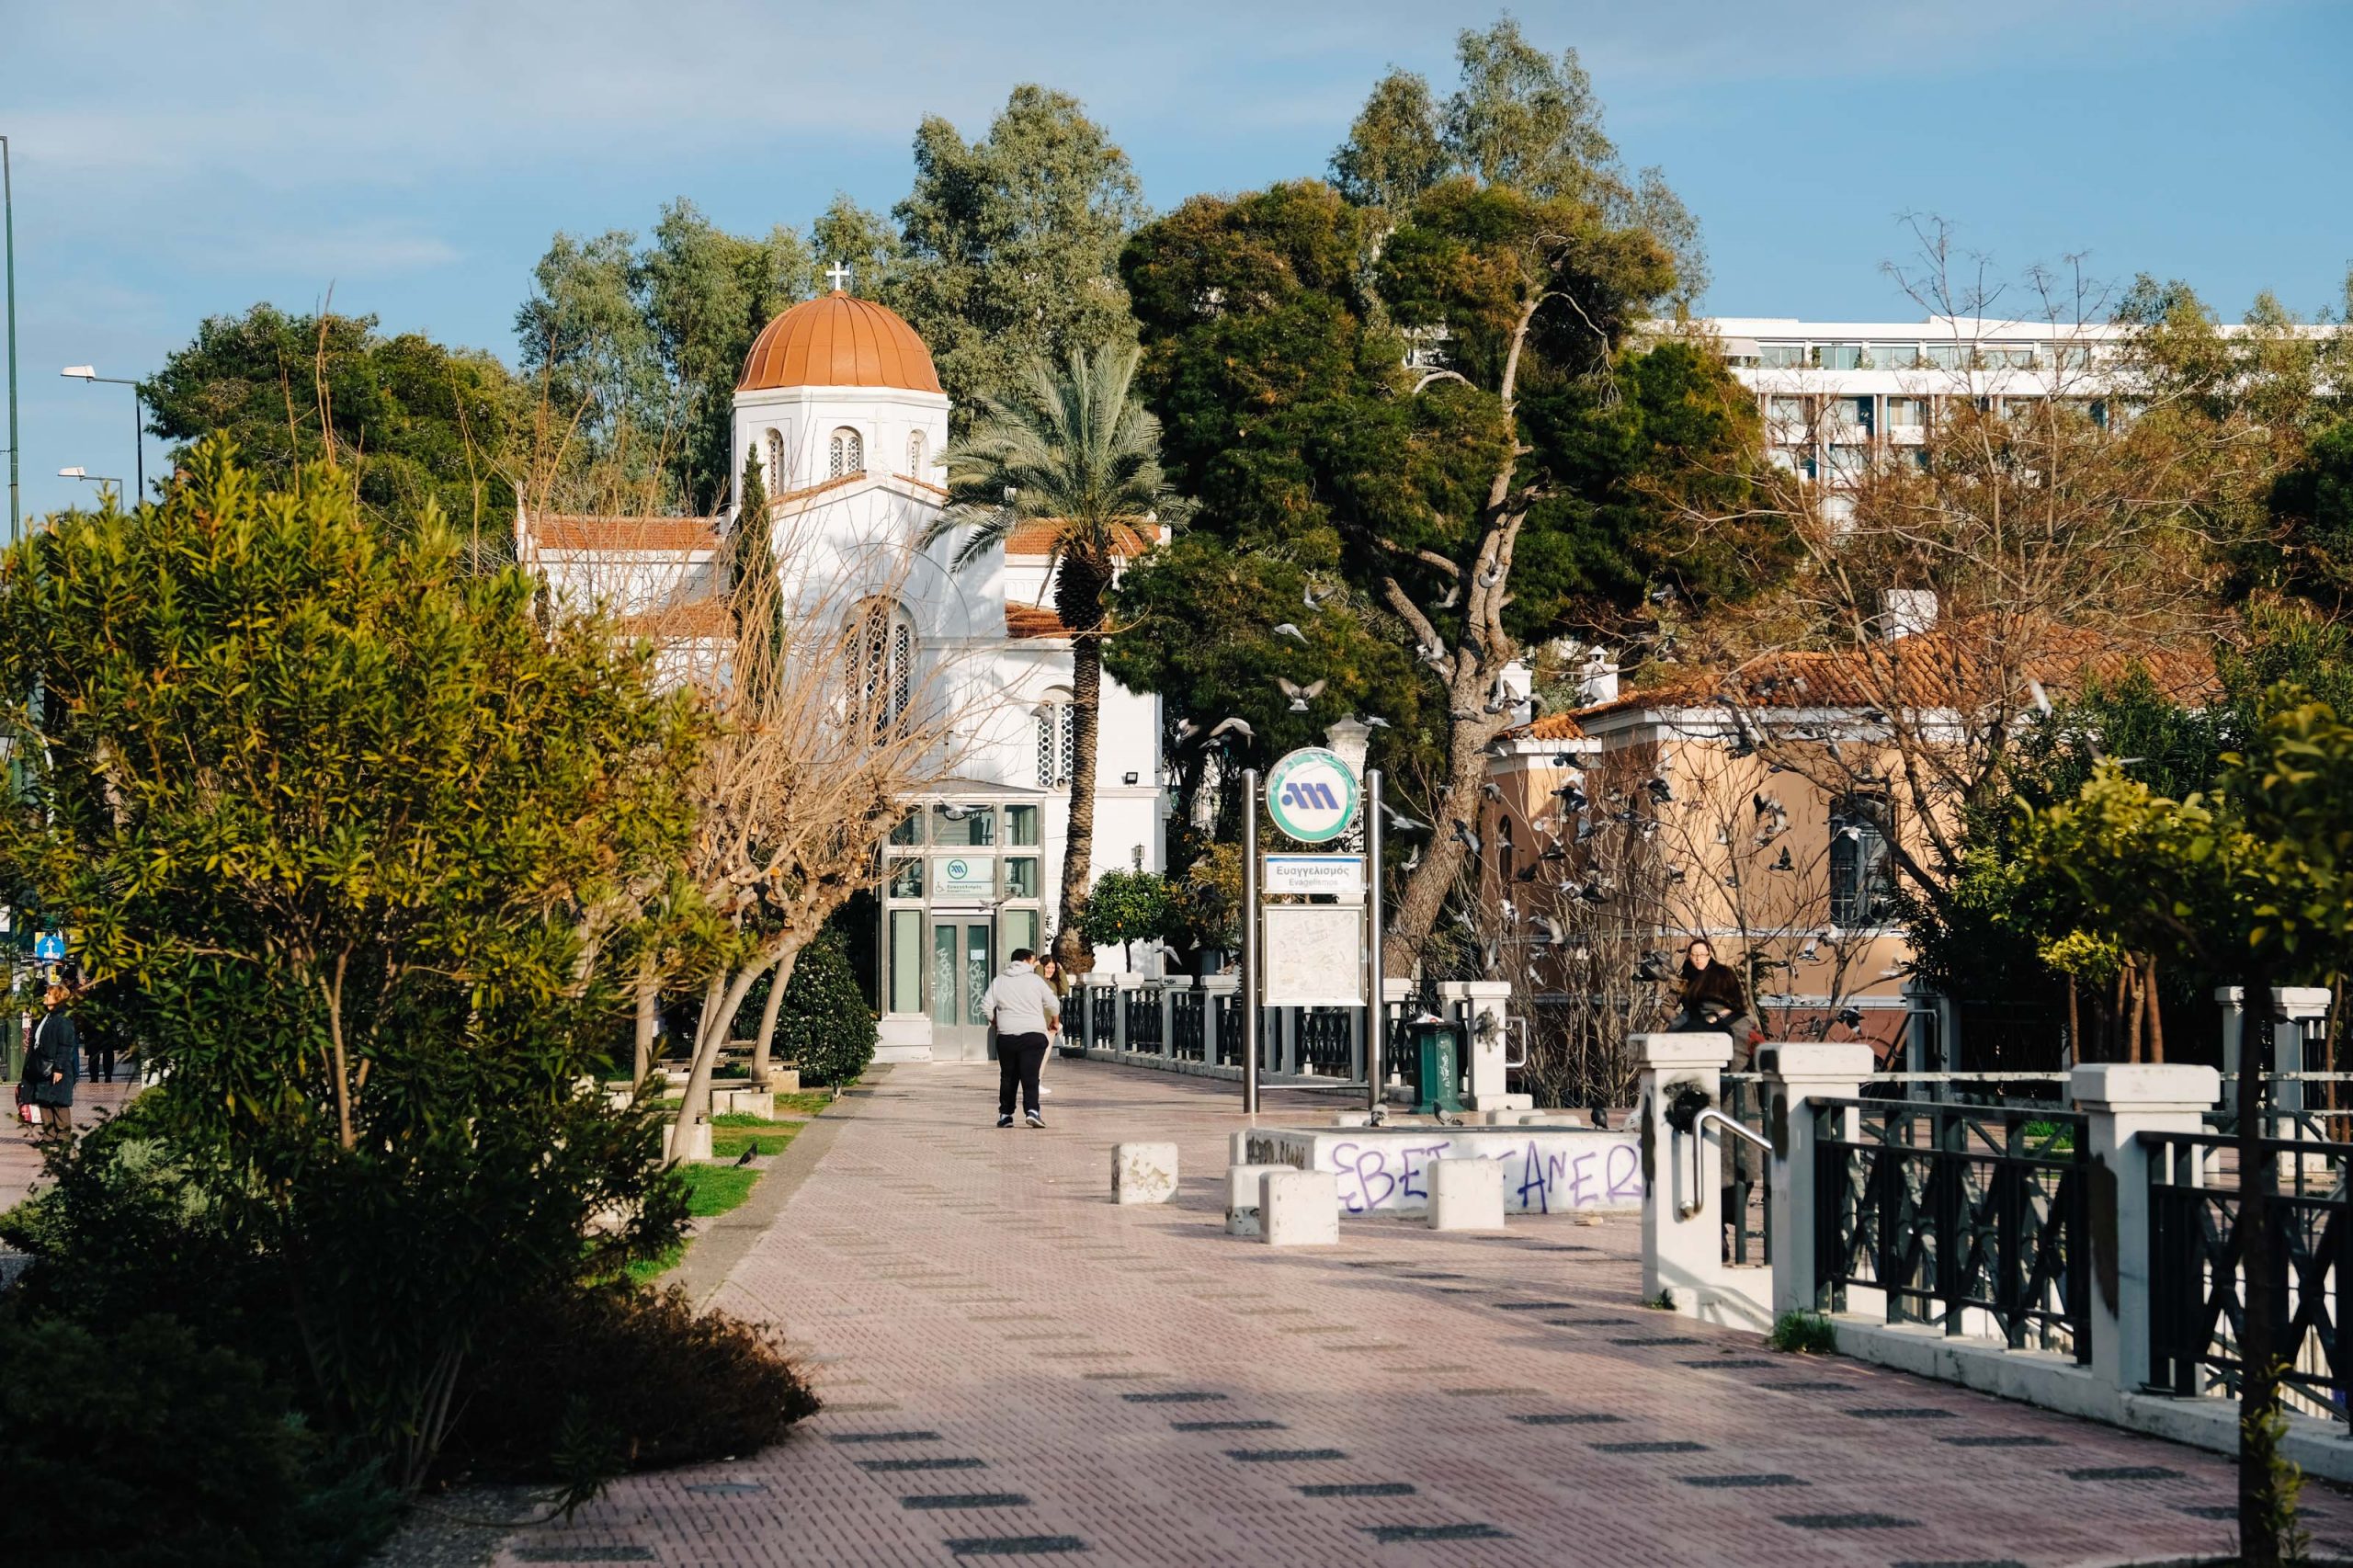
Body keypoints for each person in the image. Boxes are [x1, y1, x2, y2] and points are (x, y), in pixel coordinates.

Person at [980, 948, 1060, 1129]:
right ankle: (1032, 1111)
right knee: (1030, 1075)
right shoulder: (1036, 981)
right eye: (1033, 961)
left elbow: (985, 1006)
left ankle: (1006, 1115)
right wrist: (1055, 1022)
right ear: (1027, 961)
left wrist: (997, 1023)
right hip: (1033, 1035)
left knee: (1008, 1076)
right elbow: (1053, 1003)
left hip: (1007, 1036)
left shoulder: (999, 981)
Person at [1672, 938, 1756, 1064]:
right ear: (1689, 956)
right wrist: (1682, 1018)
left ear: (1709, 954)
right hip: (1693, 1017)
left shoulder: (1718, 974)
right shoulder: (1683, 980)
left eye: (1701, 955)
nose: (1698, 959)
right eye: (1694, 955)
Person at [27, 985, 80, 1135]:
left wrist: (59, 1068)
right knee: (44, 1101)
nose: (45, 995)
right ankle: (49, 1135)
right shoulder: (47, 1017)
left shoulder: (63, 1019)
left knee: (59, 1103)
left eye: (49, 994)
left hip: (55, 1067)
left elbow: (65, 1046)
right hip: (43, 1067)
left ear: (57, 998)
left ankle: (63, 1137)